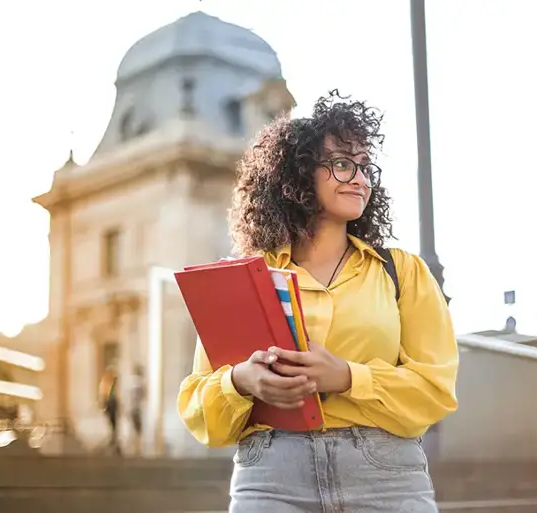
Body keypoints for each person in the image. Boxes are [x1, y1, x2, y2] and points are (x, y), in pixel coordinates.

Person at [177, 91, 459, 512]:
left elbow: (435, 391)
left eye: (365, 167)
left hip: (385, 477)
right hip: (271, 477)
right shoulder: (246, 279)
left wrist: (347, 376)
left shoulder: (402, 272)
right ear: (298, 175)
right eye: (343, 163)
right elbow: (200, 407)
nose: (361, 178)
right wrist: (241, 382)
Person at [98, 366, 121, 456]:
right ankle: (113, 440)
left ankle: (113, 439)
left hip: (111, 404)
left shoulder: (108, 383)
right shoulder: (108, 383)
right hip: (111, 404)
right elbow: (105, 394)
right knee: (113, 423)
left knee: (113, 424)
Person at [129, 364, 146, 454]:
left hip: (133, 408)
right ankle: (137, 447)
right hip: (137, 409)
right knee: (138, 429)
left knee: (135, 428)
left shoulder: (132, 383)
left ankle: (135, 447)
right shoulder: (139, 384)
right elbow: (143, 396)